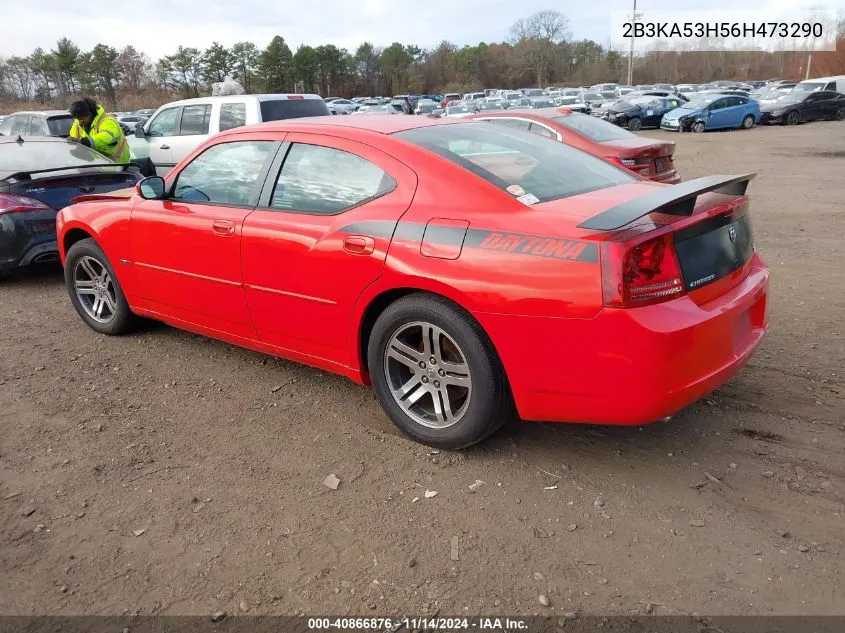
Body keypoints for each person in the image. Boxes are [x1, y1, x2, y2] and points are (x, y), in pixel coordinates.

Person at [68, 98, 129, 164]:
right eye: (77, 119)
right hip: (96, 165)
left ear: (89, 114)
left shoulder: (107, 121)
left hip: (117, 166)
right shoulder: (78, 122)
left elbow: (105, 137)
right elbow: (74, 137)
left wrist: (84, 142)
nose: (79, 121)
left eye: (81, 119)